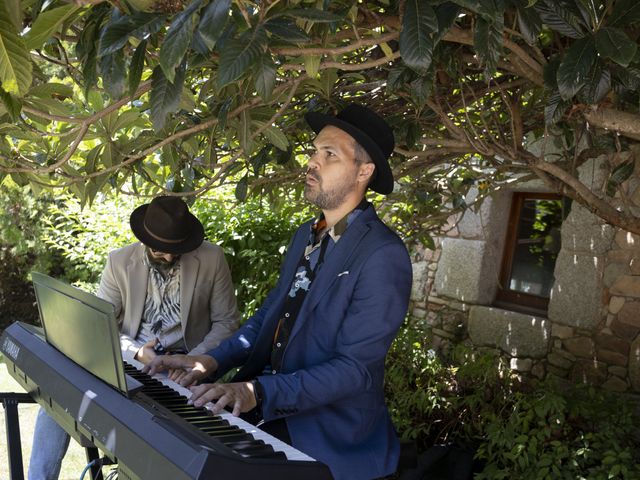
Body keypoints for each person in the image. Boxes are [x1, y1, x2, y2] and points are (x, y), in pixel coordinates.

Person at [146, 104, 413, 480]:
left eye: (329, 155)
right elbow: (270, 315)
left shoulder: (383, 255)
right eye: (314, 151)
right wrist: (210, 362)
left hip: (329, 435)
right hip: (271, 408)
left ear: (363, 172)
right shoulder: (306, 235)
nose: (311, 162)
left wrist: (259, 392)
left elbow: (355, 371)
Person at [28, 195, 240, 480]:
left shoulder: (212, 259)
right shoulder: (119, 261)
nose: (168, 256)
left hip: (185, 373)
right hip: (130, 361)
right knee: (58, 392)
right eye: (160, 249)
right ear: (145, 238)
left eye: (176, 249)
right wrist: (138, 352)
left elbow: (227, 323)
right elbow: (101, 327)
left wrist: (191, 361)